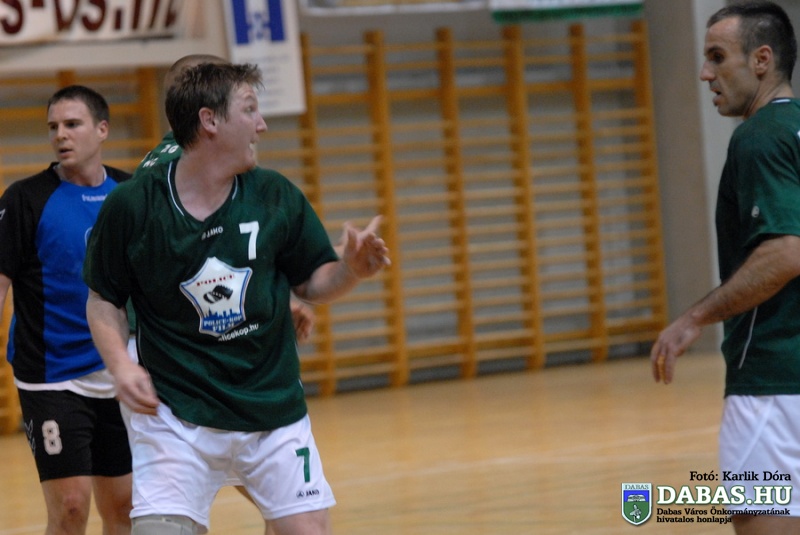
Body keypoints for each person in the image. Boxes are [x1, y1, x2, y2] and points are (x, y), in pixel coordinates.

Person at [83, 62, 390, 535]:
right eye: (250, 110)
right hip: (175, 410)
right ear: (210, 121)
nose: (261, 124)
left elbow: (312, 283)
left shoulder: (274, 195)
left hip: (270, 408)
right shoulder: (134, 205)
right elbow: (103, 300)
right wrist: (121, 367)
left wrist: (351, 270)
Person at [650, 2, 800, 533]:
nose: (704, 73)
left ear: (762, 60)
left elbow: (786, 251)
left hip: (773, 388)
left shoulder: (759, 138)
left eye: (717, 57)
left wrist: (695, 316)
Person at [0, 86, 133, 534]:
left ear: (102, 129)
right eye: (53, 126)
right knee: (71, 508)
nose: (60, 134)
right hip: (51, 375)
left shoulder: (129, 193)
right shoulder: (25, 199)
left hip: (118, 372)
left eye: (72, 124)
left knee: (124, 508)